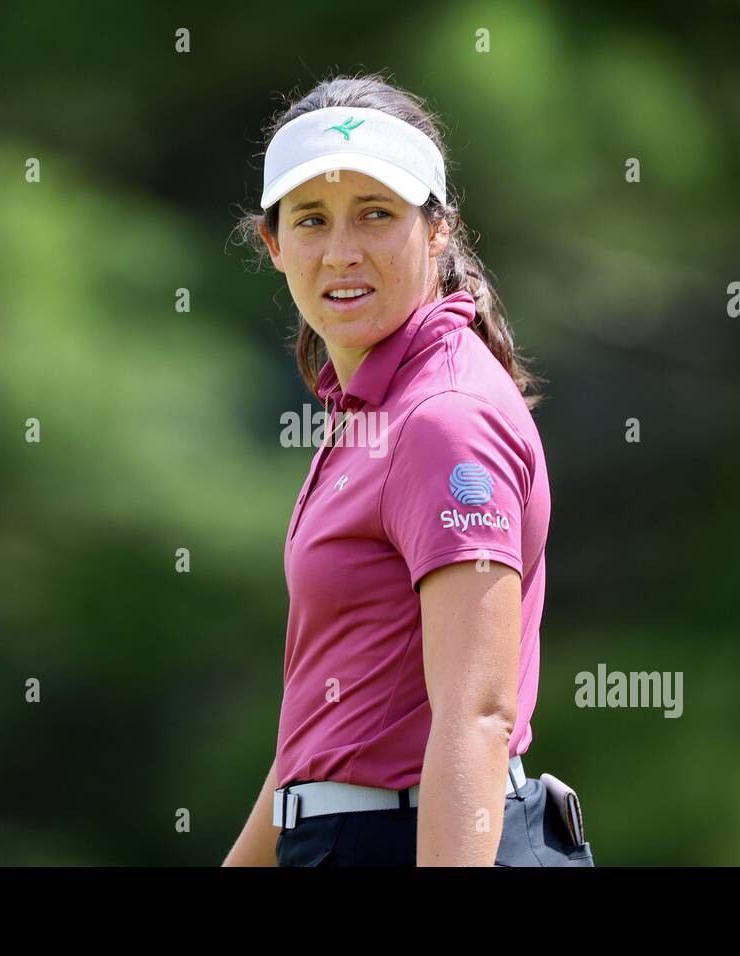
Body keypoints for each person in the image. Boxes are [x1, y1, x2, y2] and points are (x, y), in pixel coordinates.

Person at [223, 73, 593, 867]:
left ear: (437, 232)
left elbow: (478, 716)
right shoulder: (370, 408)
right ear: (274, 243)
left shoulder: (442, 417)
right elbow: (322, 736)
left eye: (376, 215)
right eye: (312, 220)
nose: (342, 251)